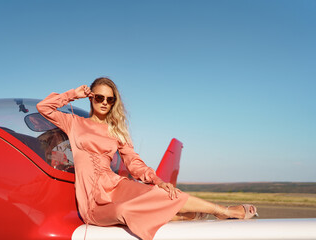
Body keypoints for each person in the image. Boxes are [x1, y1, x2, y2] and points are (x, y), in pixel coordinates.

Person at [37, 77, 258, 240]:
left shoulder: (116, 131)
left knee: (162, 193)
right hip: (92, 200)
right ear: (91, 97)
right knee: (124, 211)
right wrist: (74, 93)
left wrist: (158, 180)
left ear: (114, 102)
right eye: (99, 97)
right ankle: (182, 217)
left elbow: (133, 161)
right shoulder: (74, 123)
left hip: (115, 185)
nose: (104, 102)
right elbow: (44, 108)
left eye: (110, 99)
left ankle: (225, 212)